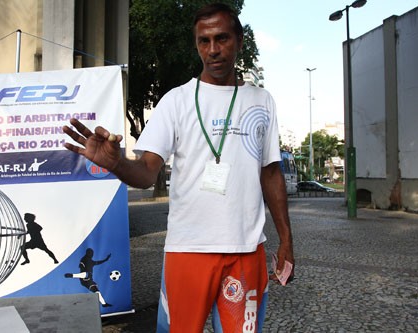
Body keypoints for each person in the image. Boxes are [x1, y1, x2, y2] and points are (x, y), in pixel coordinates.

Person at [63, 3, 294, 332]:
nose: (213, 50)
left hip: (246, 250)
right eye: (204, 41)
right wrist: (116, 164)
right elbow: (146, 173)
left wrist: (286, 240)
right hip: (189, 252)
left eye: (222, 38)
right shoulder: (177, 100)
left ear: (240, 41)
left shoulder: (261, 101)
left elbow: (270, 173)